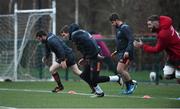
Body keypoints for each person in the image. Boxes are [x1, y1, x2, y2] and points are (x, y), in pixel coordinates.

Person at [60, 23, 123, 97]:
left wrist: (95, 55)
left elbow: (90, 45)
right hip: (92, 56)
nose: (64, 37)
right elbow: (86, 45)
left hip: (95, 56)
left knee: (95, 79)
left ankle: (117, 78)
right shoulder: (79, 32)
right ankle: (99, 92)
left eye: (64, 35)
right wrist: (84, 58)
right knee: (84, 75)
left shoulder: (74, 35)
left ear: (67, 32)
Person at [35, 30, 104, 94]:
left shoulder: (51, 40)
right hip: (68, 55)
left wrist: (63, 60)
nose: (39, 41)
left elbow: (60, 49)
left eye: (39, 39)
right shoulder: (49, 38)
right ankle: (93, 86)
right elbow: (48, 49)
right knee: (77, 71)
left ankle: (60, 87)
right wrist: (46, 57)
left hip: (66, 56)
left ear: (43, 36)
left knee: (52, 69)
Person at [134, 15, 180, 83]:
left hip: (178, 55)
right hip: (173, 56)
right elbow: (161, 18)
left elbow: (156, 50)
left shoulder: (163, 34)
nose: (148, 27)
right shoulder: (164, 20)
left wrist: (142, 46)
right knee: (167, 75)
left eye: (150, 24)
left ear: (156, 23)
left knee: (178, 76)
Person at [109, 13, 137, 94]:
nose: (112, 24)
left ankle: (132, 84)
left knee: (119, 69)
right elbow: (121, 42)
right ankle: (128, 89)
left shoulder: (125, 27)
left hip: (126, 52)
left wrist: (127, 51)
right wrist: (116, 51)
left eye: (112, 22)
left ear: (116, 20)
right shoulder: (119, 29)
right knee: (123, 71)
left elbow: (131, 39)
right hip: (121, 52)